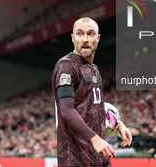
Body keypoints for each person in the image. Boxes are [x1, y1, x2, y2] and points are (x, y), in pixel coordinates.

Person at [52, 17, 132, 167]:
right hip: (76, 159)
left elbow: (93, 106)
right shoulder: (66, 67)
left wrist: (118, 123)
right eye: (80, 34)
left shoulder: (93, 68)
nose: (85, 39)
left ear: (98, 38)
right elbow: (67, 110)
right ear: (73, 38)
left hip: (99, 155)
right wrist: (94, 139)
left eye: (90, 34)